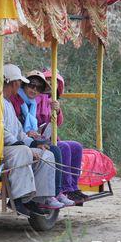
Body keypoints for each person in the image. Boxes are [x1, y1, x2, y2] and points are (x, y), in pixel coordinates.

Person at [0, 64, 63, 216]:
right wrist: (23, 145)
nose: (20, 85)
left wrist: (36, 144)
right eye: (19, 82)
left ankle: (36, 200)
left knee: (47, 155)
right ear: (14, 83)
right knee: (23, 152)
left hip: (11, 146)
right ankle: (19, 199)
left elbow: (19, 131)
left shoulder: (7, 102)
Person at [9, 70, 74, 206]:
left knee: (65, 148)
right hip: (19, 140)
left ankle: (66, 190)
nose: (34, 89)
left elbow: (56, 122)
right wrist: (29, 135)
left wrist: (57, 111)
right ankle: (53, 193)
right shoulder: (16, 100)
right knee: (55, 150)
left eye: (38, 87)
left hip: (33, 136)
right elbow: (15, 125)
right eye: (31, 85)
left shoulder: (34, 102)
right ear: (22, 85)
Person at [43, 70, 87, 202]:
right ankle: (65, 189)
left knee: (76, 146)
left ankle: (73, 186)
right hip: (43, 138)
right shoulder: (40, 98)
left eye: (54, 82)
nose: (51, 84)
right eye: (48, 80)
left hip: (52, 136)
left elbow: (59, 122)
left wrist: (58, 110)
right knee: (64, 147)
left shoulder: (53, 100)